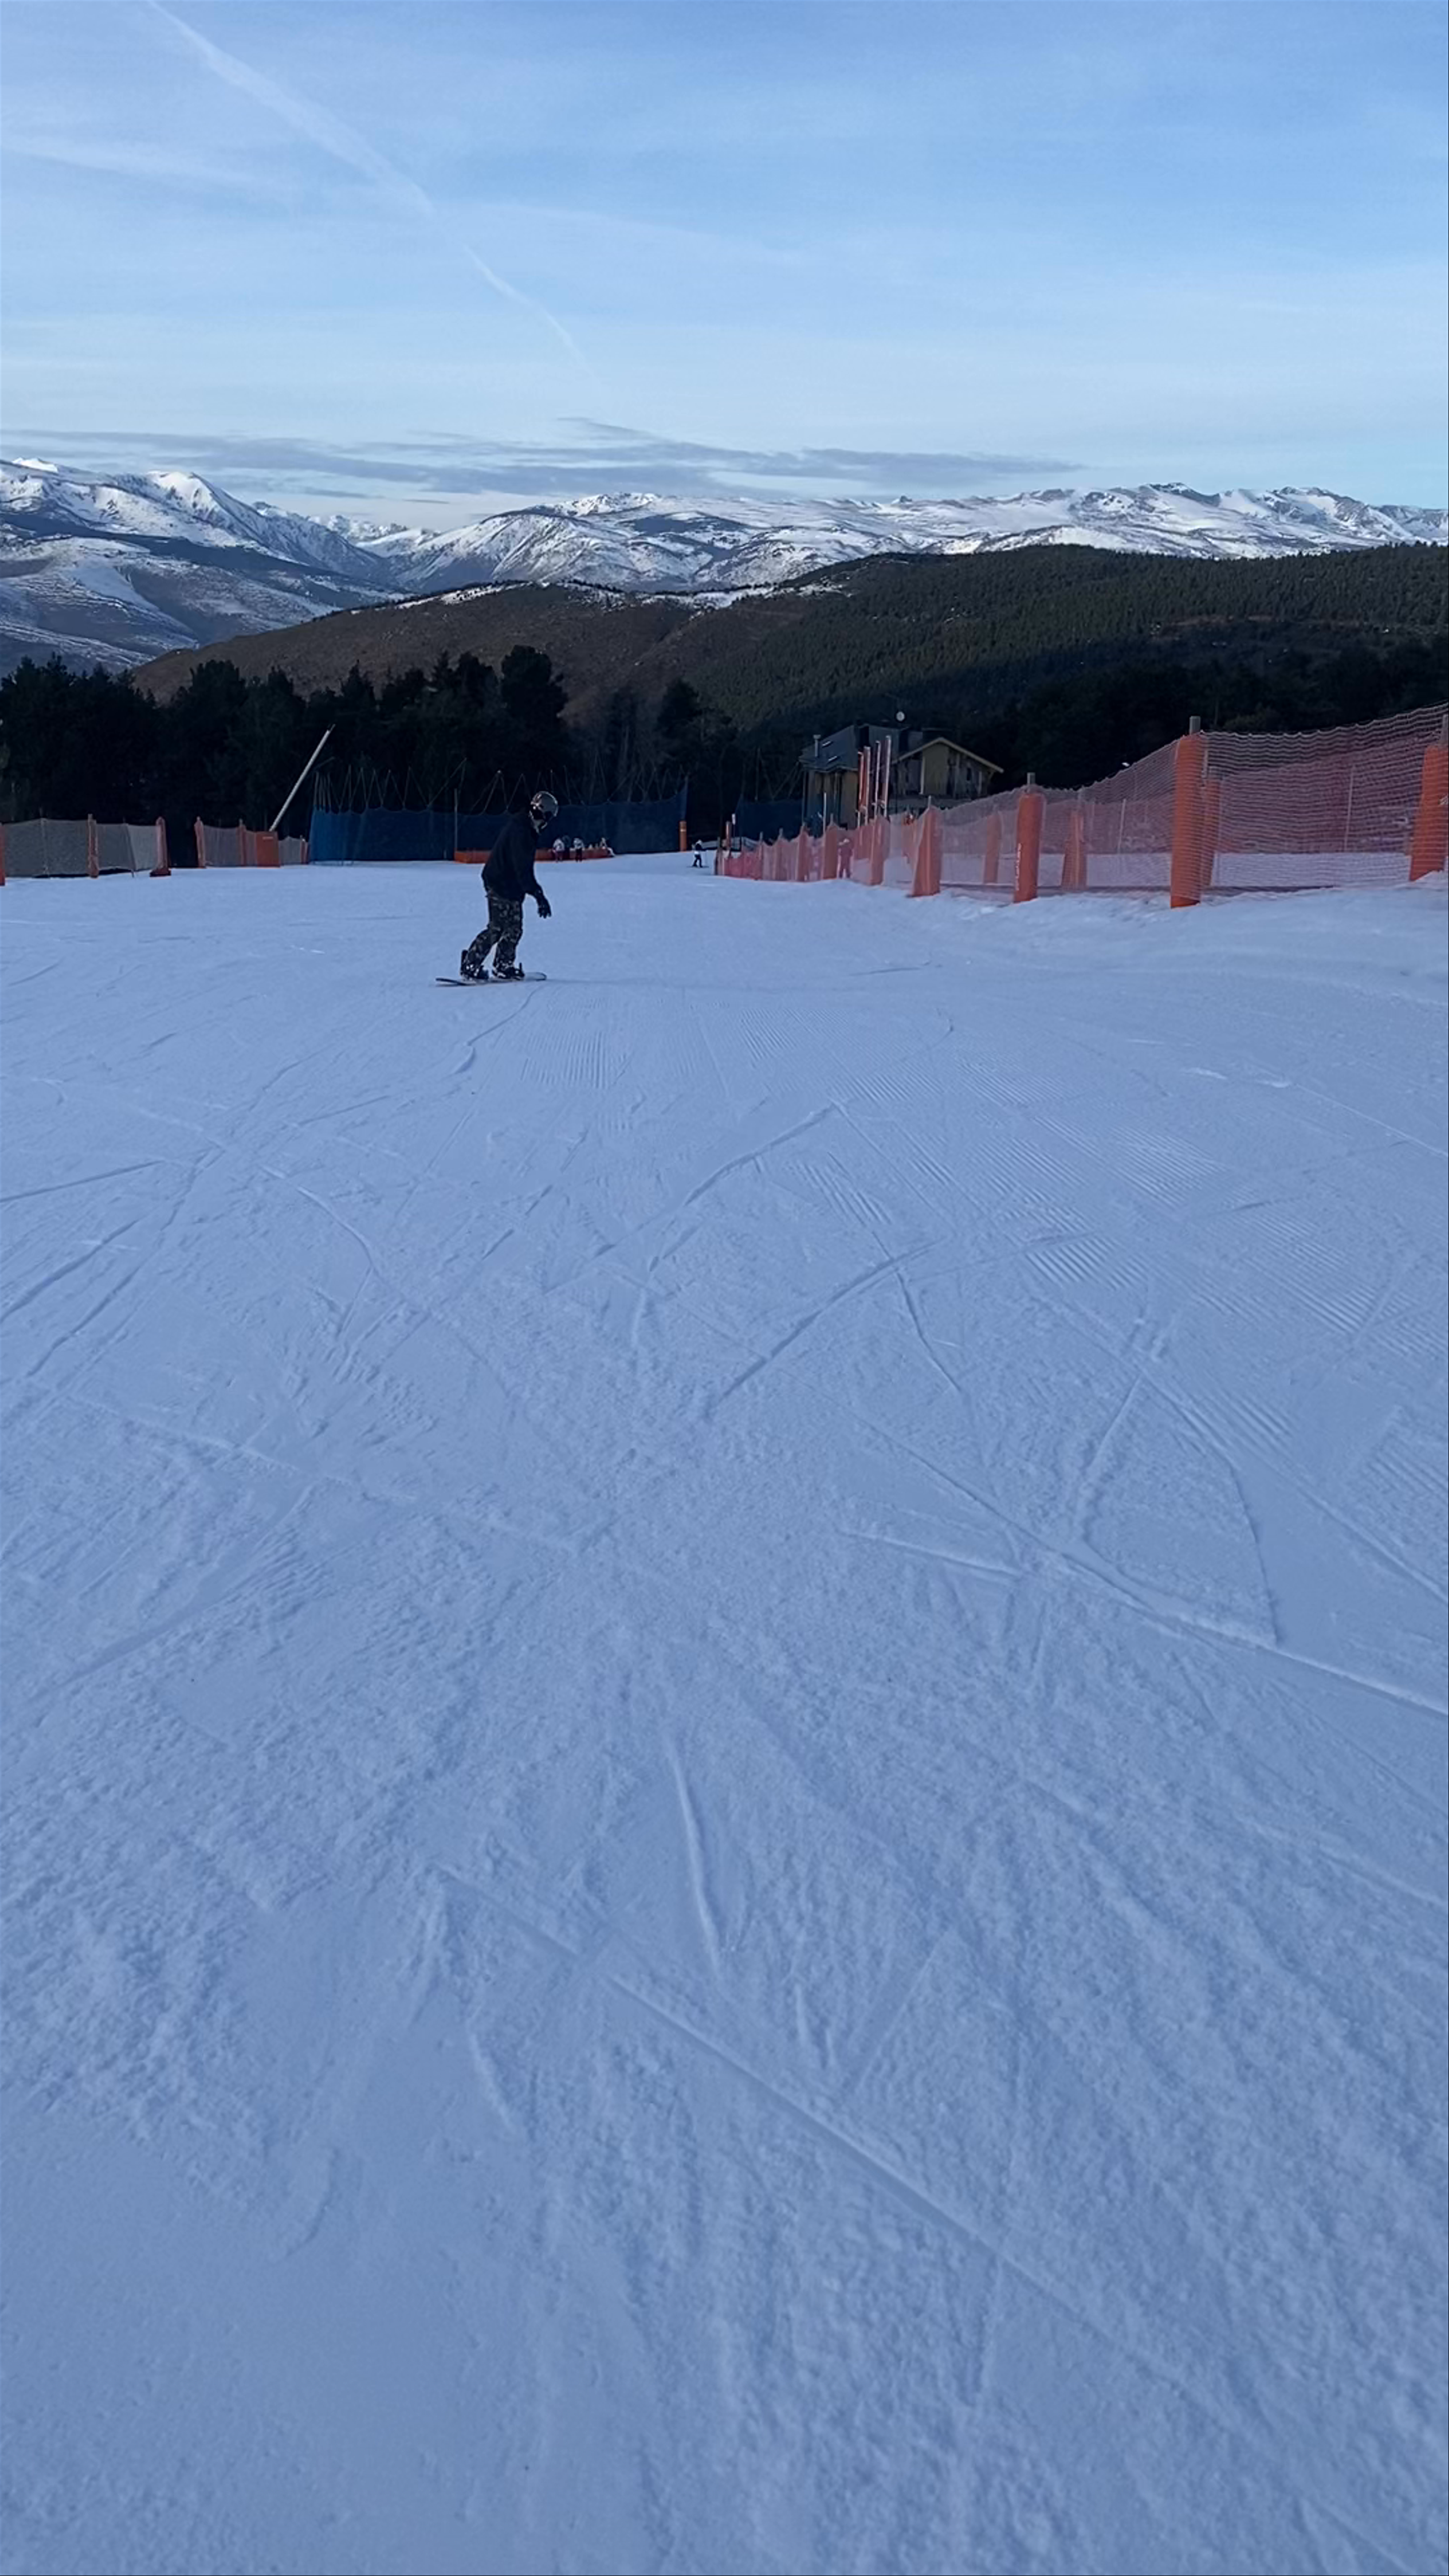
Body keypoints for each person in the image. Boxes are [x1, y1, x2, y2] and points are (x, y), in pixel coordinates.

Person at [460, 791, 556, 979]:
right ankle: (470, 964)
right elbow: (523, 868)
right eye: (549, 816)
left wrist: (534, 892)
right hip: (499, 881)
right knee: (497, 928)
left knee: (514, 928)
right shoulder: (522, 831)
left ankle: (503, 965)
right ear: (542, 813)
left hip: (512, 885)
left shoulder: (527, 828)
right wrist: (538, 895)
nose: (548, 822)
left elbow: (522, 869)